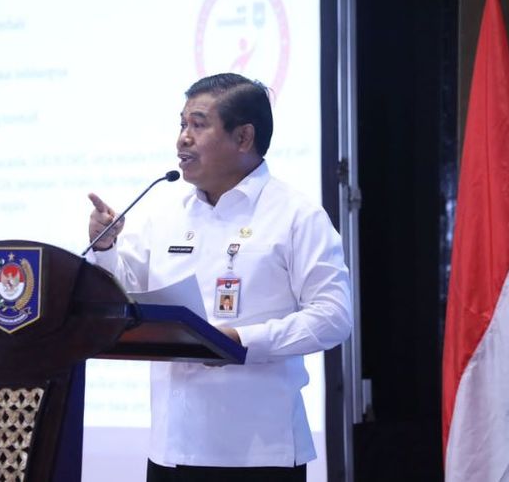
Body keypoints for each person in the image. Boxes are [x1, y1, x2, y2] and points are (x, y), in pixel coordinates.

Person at [86, 73, 352, 482]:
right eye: (182, 124)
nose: (183, 138)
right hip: (171, 448)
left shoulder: (297, 216)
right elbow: (122, 295)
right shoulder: (166, 216)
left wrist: (241, 342)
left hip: (258, 454)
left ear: (243, 137)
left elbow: (333, 317)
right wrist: (105, 247)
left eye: (198, 124)